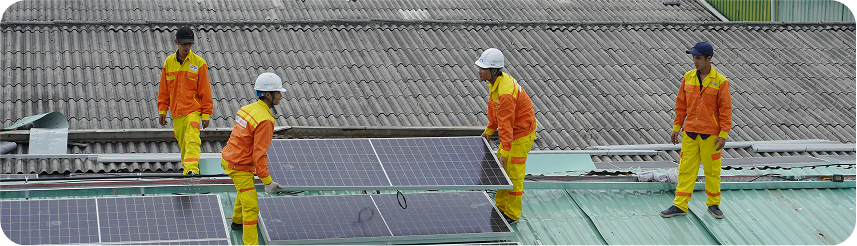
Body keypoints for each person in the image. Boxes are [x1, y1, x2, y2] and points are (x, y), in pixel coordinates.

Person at [660, 41, 732, 219]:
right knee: (685, 170)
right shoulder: (688, 77)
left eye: (698, 58)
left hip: (711, 136)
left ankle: (713, 204)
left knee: (712, 171)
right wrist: (676, 127)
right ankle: (680, 205)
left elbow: (725, 111)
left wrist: (723, 135)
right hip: (690, 133)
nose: (695, 61)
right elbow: (681, 105)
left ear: (709, 59)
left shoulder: (721, 82)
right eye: (693, 57)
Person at [221, 72, 286, 246]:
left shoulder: (246, 109)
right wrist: (267, 181)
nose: (281, 95)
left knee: (244, 190)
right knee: (251, 207)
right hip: (239, 165)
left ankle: (236, 222)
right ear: (268, 95)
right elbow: (259, 154)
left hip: (229, 157)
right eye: (278, 92)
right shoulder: (265, 120)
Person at [475, 48, 537, 225]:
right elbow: (496, 114)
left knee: (513, 174)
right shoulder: (496, 83)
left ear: (494, 70)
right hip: (511, 133)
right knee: (502, 171)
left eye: (483, 68)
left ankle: (512, 213)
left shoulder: (506, 93)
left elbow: (506, 125)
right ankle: (501, 206)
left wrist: (505, 152)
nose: (479, 71)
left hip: (520, 134)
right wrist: (488, 131)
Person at [157, 26, 213, 176]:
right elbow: (164, 89)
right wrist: (163, 110)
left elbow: (205, 90)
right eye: (184, 44)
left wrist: (206, 114)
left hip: (193, 110)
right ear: (176, 42)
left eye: (189, 44)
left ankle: (192, 170)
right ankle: (187, 172)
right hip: (177, 114)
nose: (187, 47)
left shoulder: (199, 63)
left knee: (192, 140)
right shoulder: (169, 63)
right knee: (184, 144)